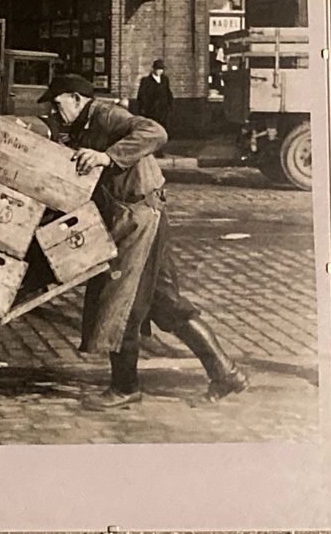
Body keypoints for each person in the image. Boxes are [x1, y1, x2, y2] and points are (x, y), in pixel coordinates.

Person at [38, 74, 248, 410]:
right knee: (165, 303)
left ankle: (125, 387)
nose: (53, 109)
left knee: (123, 301)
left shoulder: (106, 115)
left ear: (76, 98)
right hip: (134, 216)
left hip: (140, 218)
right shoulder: (82, 125)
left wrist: (107, 156)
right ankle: (225, 372)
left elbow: (156, 132)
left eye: (57, 101)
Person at [136, 58, 173, 129]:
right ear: (153, 69)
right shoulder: (146, 81)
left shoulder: (165, 79)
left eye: (161, 69)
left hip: (163, 110)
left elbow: (168, 92)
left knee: (163, 127)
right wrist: (144, 108)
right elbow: (142, 95)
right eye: (158, 69)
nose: (160, 71)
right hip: (151, 110)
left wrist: (169, 104)